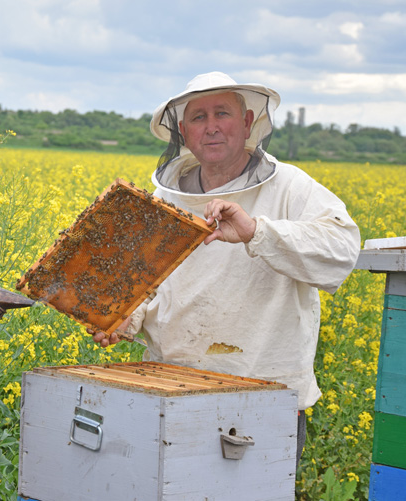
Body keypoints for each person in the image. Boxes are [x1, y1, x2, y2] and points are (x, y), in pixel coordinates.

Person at [93, 71, 361, 466]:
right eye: (199, 117)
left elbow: (342, 251)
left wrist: (258, 233)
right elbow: (148, 284)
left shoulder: (290, 186)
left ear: (248, 123)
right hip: (172, 387)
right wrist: (123, 319)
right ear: (182, 131)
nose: (212, 126)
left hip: (263, 396)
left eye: (223, 113)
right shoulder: (164, 197)